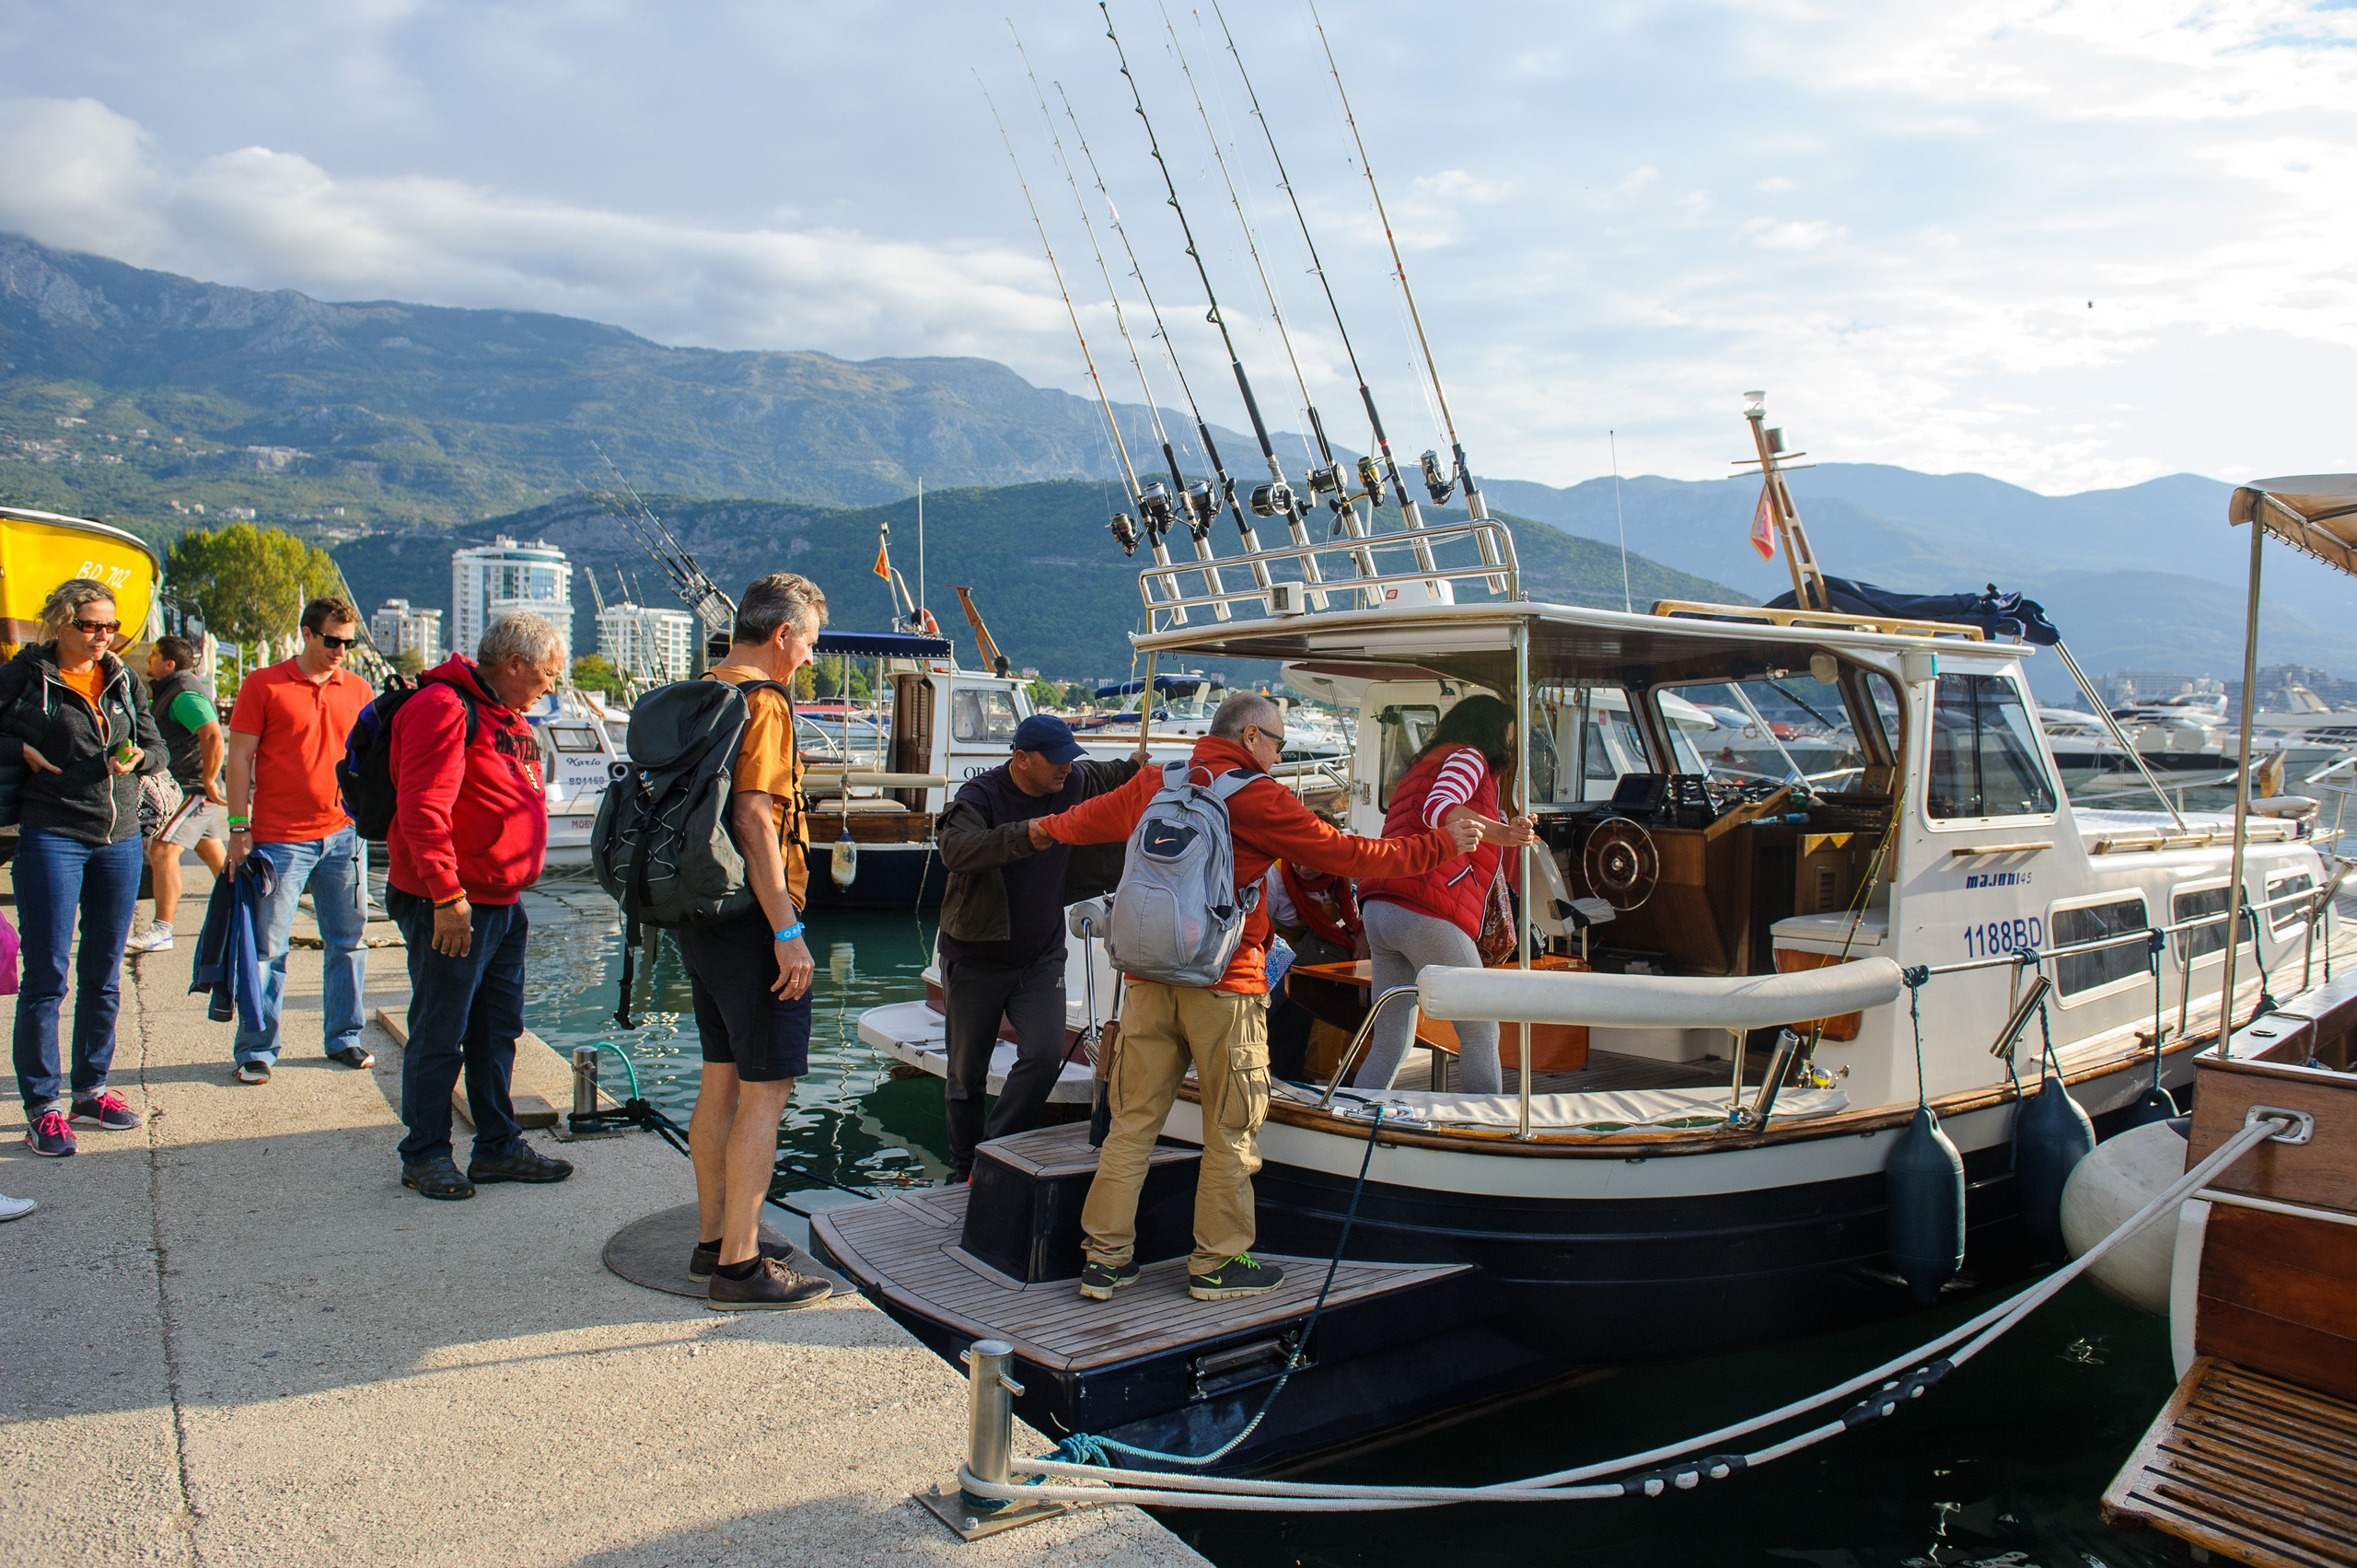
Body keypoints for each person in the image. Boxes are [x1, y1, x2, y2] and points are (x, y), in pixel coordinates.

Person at [1031, 692, 1480, 1302]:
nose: (1278, 754)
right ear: (1249, 736)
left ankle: (1104, 1261)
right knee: (1231, 1126)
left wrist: (1036, 830)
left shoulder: (1157, 780)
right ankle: (1217, 1262)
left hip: (1147, 980)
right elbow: (1349, 855)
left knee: (1131, 1123)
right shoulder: (1259, 795)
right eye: (1278, 742)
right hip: (1225, 984)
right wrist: (1440, 847)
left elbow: (1084, 822)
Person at [682, 573, 836, 1310]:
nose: (808, 657)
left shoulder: (705, 687)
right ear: (782, 636)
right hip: (752, 918)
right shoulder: (764, 702)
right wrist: (788, 930)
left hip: (701, 914)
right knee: (765, 1091)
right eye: (807, 643)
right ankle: (740, 1268)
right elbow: (752, 818)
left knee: (720, 1077)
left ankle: (715, 1237)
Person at [386, 612, 574, 1200]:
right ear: (514, 664)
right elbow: (422, 808)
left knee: (497, 1030)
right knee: (440, 1030)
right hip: (453, 902)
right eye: (547, 674)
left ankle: (497, 1146)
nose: (551, 686)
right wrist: (446, 895)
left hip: (501, 901)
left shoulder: (505, 714)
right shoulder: (444, 708)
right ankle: (424, 1153)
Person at [1, 579, 168, 1156]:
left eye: (111, 626)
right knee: (47, 973)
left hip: (118, 839)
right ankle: (42, 1107)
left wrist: (141, 756)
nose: (103, 636)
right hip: (53, 834)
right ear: (60, 624)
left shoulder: (122, 677)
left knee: (104, 972)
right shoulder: (27, 677)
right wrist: (15, 750)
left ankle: (92, 1089)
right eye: (91, 625)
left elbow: (157, 744)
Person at [935, 713, 1139, 1181]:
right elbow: (956, 850)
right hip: (976, 958)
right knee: (966, 1077)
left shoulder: (1072, 780)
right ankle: (963, 1164)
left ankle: (994, 1153)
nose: (1066, 769)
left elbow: (1105, 774)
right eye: (1057, 762)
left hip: (1041, 954)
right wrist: (1030, 834)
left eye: (1071, 760)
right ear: (1021, 759)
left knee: (1045, 1056)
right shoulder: (978, 797)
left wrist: (1133, 765)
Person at [222, 597, 377, 1083]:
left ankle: (345, 1038)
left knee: (349, 943)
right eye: (332, 640)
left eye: (348, 643)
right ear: (307, 634)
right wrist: (237, 827)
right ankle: (256, 1048)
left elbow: (369, 761)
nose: (340, 651)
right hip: (279, 840)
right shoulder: (263, 684)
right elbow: (239, 760)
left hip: (344, 836)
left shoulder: (358, 689)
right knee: (268, 948)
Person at [1353, 694, 1538, 1095]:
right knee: (1481, 1030)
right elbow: (1439, 809)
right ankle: (1484, 1127)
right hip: (1425, 909)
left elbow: (1425, 808)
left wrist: (1497, 822)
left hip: (1381, 906)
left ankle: (1352, 1113)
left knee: (1390, 1038)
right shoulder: (1470, 757)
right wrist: (1504, 833)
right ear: (1493, 731)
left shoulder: (1425, 763)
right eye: (1510, 735)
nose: (1511, 746)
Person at [124, 635, 229, 954]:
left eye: (153, 655)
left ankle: (162, 930)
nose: (147, 661)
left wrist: (210, 779)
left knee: (162, 851)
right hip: (187, 787)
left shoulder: (183, 694)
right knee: (217, 859)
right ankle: (247, 914)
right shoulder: (173, 690)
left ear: (169, 664)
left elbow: (212, 734)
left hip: (192, 788)